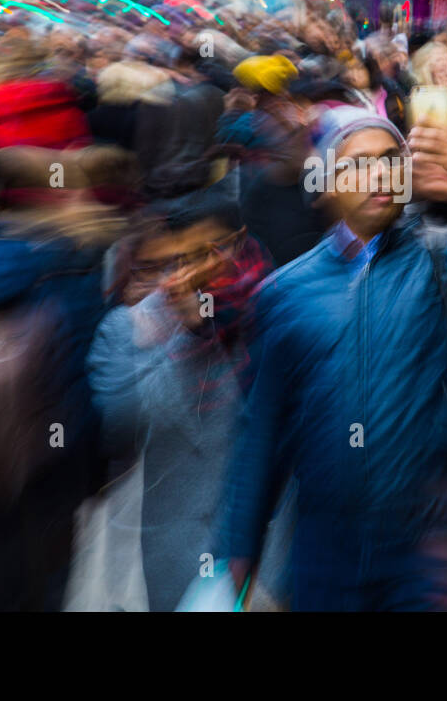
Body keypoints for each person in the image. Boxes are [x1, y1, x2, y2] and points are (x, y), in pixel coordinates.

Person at [217, 106, 447, 610]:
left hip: (429, 552)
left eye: (392, 160)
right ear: (326, 185)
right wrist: (238, 550)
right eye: (359, 164)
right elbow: (261, 432)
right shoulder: (285, 294)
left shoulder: (445, 265)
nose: (380, 175)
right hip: (325, 554)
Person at [86, 193, 275, 612]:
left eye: (211, 251)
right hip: (173, 548)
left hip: (263, 542)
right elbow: (125, 420)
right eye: (184, 257)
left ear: (239, 242)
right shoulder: (128, 327)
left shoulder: (276, 308)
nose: (197, 270)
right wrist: (190, 333)